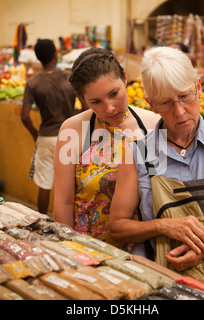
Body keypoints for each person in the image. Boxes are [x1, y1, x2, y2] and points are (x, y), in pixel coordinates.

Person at [108, 46, 204, 297]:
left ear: (199, 87)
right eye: (166, 103)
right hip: (161, 282)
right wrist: (163, 226)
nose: (179, 111)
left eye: (186, 97)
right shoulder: (137, 154)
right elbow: (117, 227)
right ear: (151, 104)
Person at [53, 47, 160, 247]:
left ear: (125, 78)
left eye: (114, 93)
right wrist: (68, 250)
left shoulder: (153, 125)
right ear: (83, 101)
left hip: (145, 250)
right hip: (89, 251)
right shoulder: (72, 131)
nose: (109, 107)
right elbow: (63, 202)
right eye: (96, 101)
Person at [21, 39, 76, 214]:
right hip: (69, 137)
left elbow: (24, 115)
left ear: (38, 58)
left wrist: (35, 134)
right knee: (72, 183)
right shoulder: (69, 77)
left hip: (46, 137)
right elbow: (86, 105)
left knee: (44, 183)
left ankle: (42, 221)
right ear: (55, 55)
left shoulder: (33, 83)